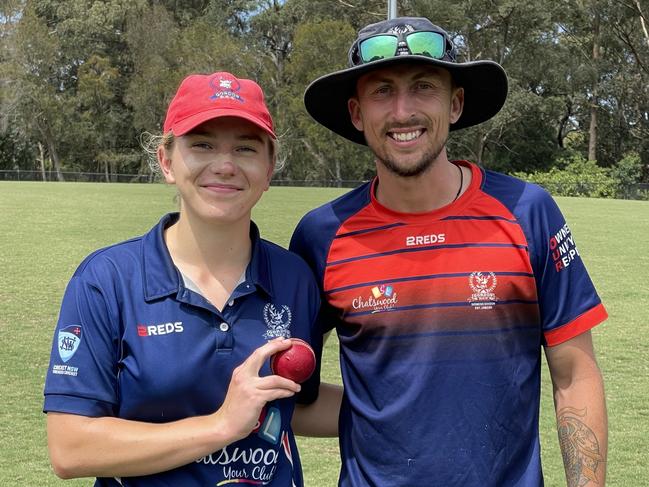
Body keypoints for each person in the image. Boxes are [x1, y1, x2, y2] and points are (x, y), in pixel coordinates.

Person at [290, 17, 608, 487]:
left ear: (455, 103)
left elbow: (574, 374)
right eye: (381, 91)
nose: (403, 111)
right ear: (357, 114)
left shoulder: (527, 212)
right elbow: (292, 398)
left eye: (423, 87)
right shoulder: (322, 235)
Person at [44, 71, 339, 487]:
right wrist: (220, 427)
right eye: (201, 145)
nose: (224, 165)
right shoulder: (106, 280)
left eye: (245, 148)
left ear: (269, 167)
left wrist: (410, 411)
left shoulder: (295, 278)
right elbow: (71, 447)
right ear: (167, 161)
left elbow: (298, 405)